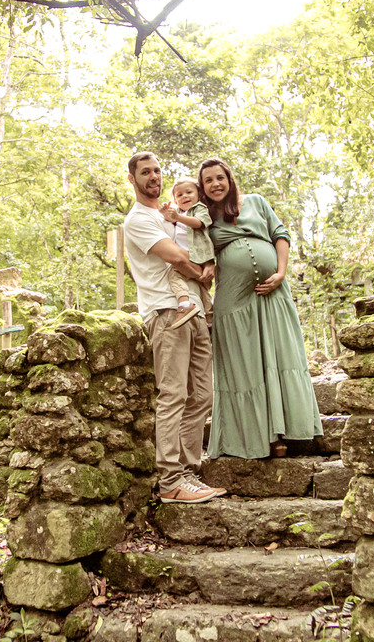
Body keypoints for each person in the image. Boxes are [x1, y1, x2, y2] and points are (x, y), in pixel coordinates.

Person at [198, 157, 323, 459]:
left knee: (279, 357)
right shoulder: (204, 219)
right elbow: (195, 254)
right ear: (202, 188)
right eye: (208, 181)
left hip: (272, 295)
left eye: (220, 177)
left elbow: (281, 235)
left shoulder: (255, 202)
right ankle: (255, 438)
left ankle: (286, 432)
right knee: (246, 365)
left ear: (229, 178)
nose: (215, 184)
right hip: (234, 301)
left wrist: (280, 273)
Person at [123, 152, 225, 503]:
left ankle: (189, 472)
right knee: (173, 395)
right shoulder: (137, 219)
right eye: (145, 172)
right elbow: (177, 257)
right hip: (166, 312)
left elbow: (196, 243)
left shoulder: (168, 214)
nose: (153, 177)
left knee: (202, 395)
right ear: (132, 179)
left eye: (157, 170)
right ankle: (170, 482)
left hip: (193, 311)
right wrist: (202, 274)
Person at [162, 178, 215, 329]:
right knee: (201, 287)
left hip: (200, 255)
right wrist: (166, 213)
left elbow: (198, 223)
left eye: (189, 192)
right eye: (179, 195)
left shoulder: (200, 208)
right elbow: (170, 219)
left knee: (175, 275)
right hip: (186, 256)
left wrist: (177, 217)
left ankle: (184, 303)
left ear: (198, 194)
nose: (184, 196)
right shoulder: (178, 213)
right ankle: (209, 318)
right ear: (175, 200)